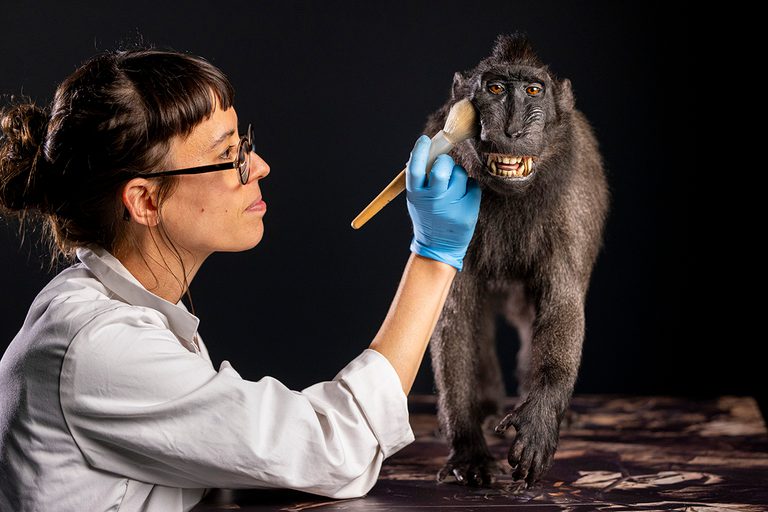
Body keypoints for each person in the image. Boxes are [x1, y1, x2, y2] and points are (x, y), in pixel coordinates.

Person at [0, 47, 481, 512]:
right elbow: (337, 448)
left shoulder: (127, 311)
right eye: (230, 155)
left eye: (244, 144)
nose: (259, 167)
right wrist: (435, 257)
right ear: (145, 201)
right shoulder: (101, 348)